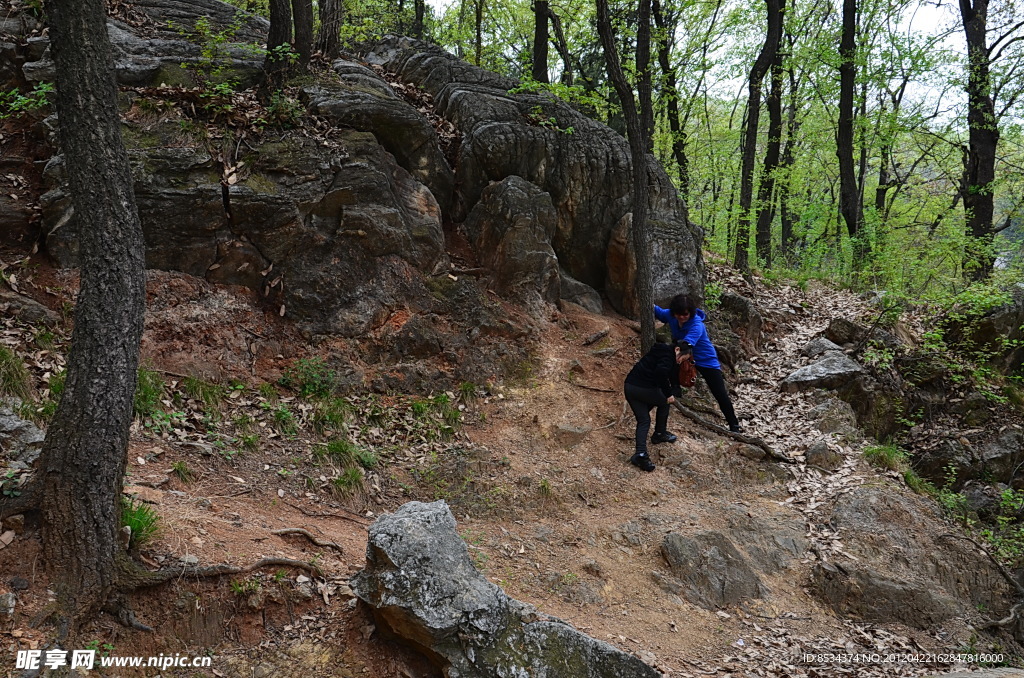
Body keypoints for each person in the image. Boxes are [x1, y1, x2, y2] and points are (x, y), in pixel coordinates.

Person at [654, 293, 743, 433]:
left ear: (690, 312)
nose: (682, 317)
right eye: (679, 314)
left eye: (685, 314)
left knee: (719, 392)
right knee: (667, 353)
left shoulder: (697, 325)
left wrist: (679, 349)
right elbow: (657, 311)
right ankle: (675, 388)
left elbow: (686, 344)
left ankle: (734, 424)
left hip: (705, 360)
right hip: (683, 357)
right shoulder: (671, 316)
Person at [623, 340, 688, 472]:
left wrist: (675, 388)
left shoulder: (661, 352)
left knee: (644, 420)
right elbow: (661, 372)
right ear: (677, 350)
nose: (680, 362)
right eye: (681, 358)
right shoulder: (668, 356)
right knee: (665, 401)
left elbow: (669, 373)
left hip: (629, 387)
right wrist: (669, 394)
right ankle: (659, 433)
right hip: (642, 388)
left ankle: (640, 455)